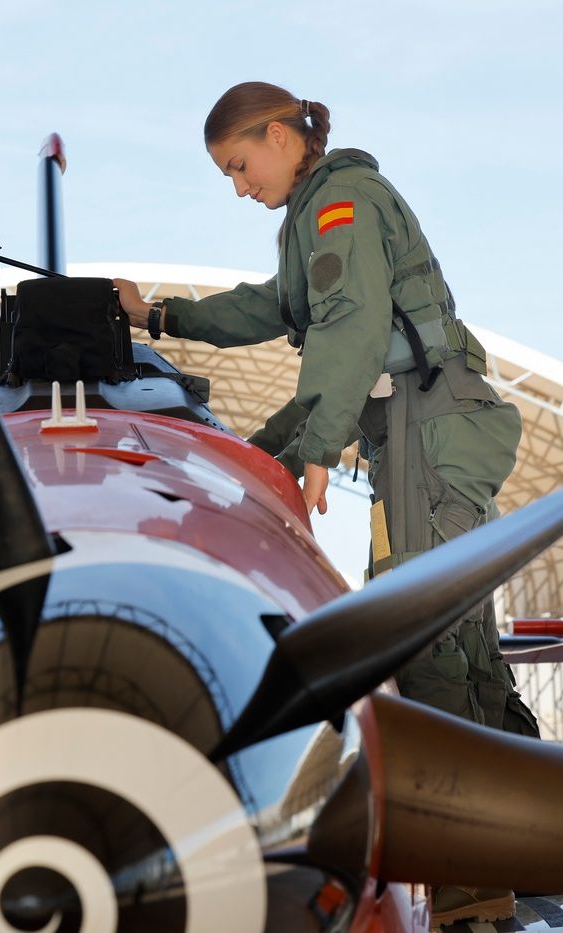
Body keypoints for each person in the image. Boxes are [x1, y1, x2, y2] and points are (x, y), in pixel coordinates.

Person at [113, 81, 538, 929]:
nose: (238, 185)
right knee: (462, 650)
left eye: (239, 164)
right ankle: (531, 849)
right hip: (415, 432)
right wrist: (158, 316)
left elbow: (346, 327)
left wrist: (310, 451)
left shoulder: (340, 199)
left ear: (279, 136)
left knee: (422, 642)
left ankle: (470, 899)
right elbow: (271, 307)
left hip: (428, 426)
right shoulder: (310, 215)